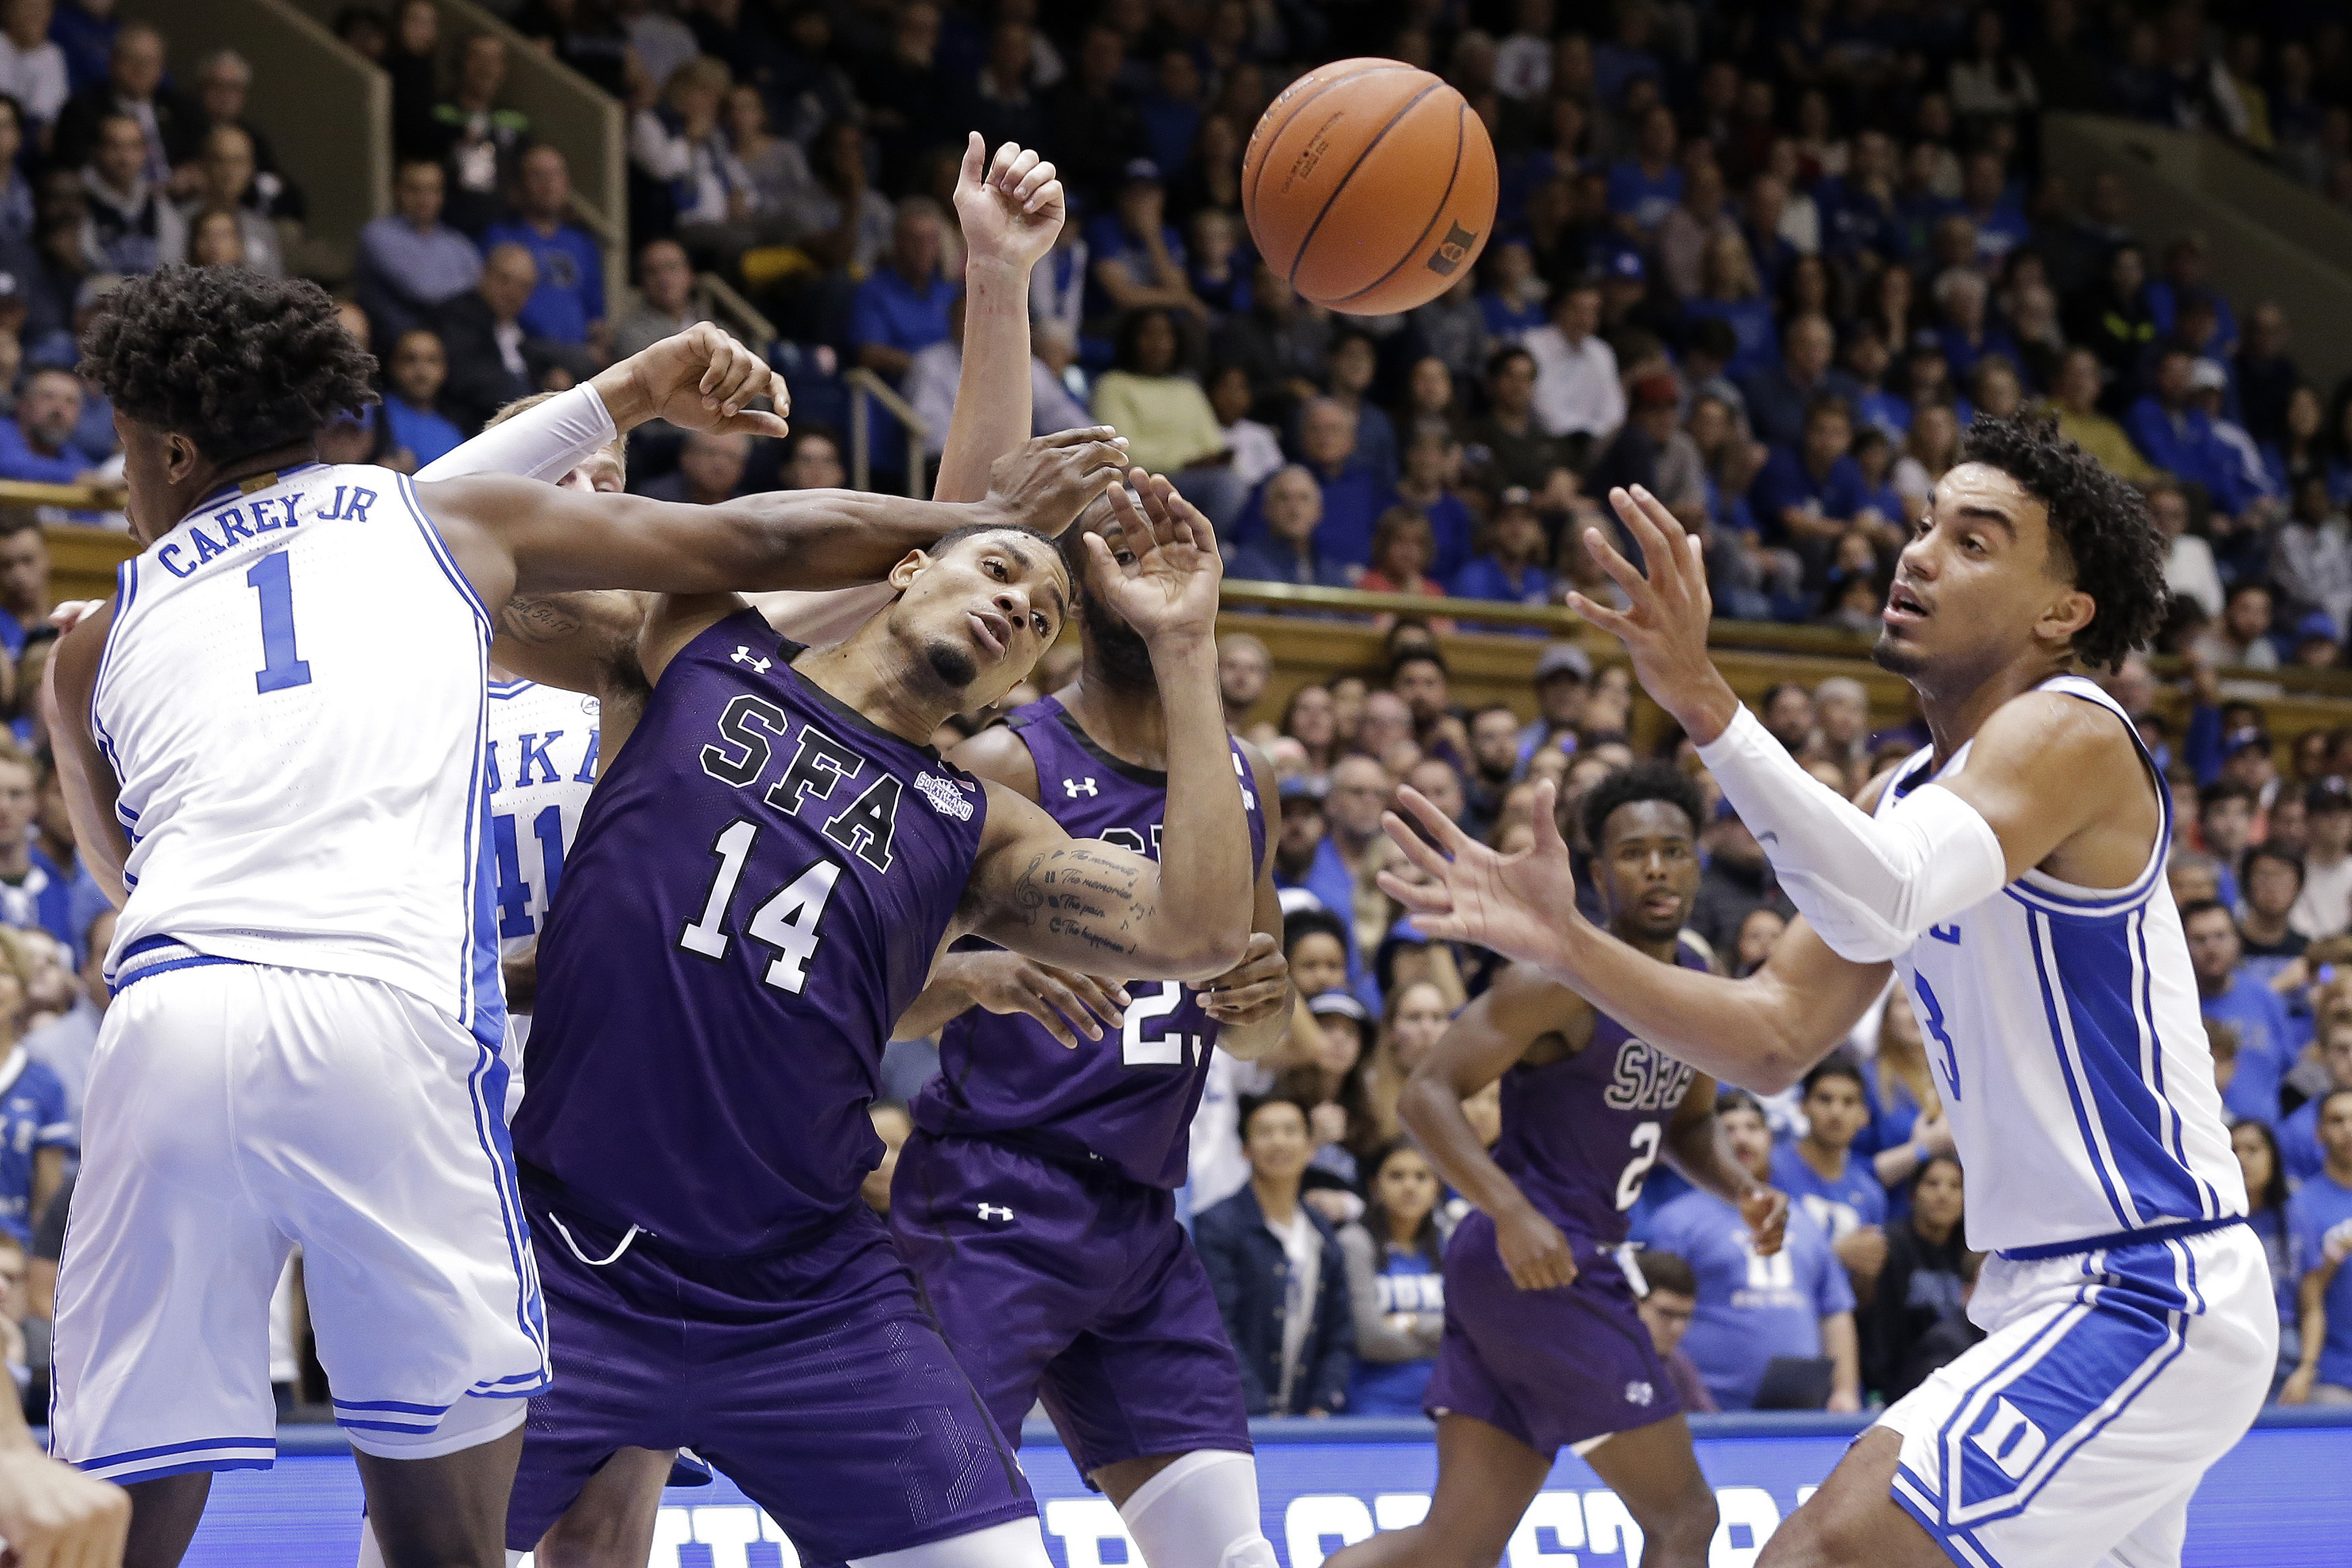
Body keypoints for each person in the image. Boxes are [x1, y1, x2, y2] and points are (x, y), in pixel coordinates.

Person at [39, 261, 1112, 1564]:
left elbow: (128, 877)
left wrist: (646, 390)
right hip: (434, 1059)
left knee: (138, 1483)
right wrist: (980, 502)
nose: (594, 497)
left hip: (227, 1015)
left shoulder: (648, 649)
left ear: (167, 443)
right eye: (582, 481)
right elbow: (795, 534)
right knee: (453, 1515)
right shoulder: (441, 534)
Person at [1380, 413, 2273, 1566]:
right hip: (2039, 1292)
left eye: (1972, 539)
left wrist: (1704, 701)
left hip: (2142, 1279)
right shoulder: (1903, 788)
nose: (1916, 553)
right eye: (1918, 524)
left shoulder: (2072, 729)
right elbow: (1769, 1036)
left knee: (1819, 1547)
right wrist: (1566, 946)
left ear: (2061, 612)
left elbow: (1891, 889)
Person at [883, 471, 1293, 1564]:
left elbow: (1260, 1033)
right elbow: (875, 999)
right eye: (1107, 539)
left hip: (1143, 1219)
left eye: (1160, 533)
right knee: (929, 1538)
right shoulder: (1004, 760)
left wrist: (1270, 998)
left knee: (1232, 1553)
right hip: (992, 1195)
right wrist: (974, 975)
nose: (1136, 554)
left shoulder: (1240, 779)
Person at [1324, 764, 1788, 1568]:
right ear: (1597, 874)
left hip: (1527, 1266)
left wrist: (1742, 1188)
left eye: (1673, 850)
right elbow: (1426, 1095)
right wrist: (1511, 1209)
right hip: (1539, 1259)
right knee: (1685, 1520)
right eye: (1633, 852)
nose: (1655, 867)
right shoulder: (1556, 981)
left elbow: (1689, 1122)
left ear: (1696, 866)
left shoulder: (1696, 982)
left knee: (1452, 1547)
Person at [1195, 1097, 1355, 1417]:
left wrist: (1322, 1405)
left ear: (1311, 1147)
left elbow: (1339, 1331)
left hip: (1306, 1421)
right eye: (1265, 1132)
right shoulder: (1217, 1225)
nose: (1279, 1141)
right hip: (1235, 1417)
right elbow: (1216, 1325)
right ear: (1245, 1150)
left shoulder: (1320, 1231)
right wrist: (1258, 1410)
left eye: (1290, 1131)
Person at [1340, 1140, 1449, 1418]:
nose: (1410, 1186)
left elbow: (1471, 1333)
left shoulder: (1451, 1245)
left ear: (1437, 1186)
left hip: (1446, 1406)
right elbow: (1370, 1339)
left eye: (1421, 1177)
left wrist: (1407, 1322)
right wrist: (1441, 1338)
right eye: (1397, 1176)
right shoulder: (1355, 1243)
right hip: (1375, 1406)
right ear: (1375, 1186)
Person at [1774, 1055, 1891, 1302]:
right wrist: (1835, 1255)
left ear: (1864, 1115)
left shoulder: (1871, 1194)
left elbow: (1863, 1299)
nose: (1836, 1112)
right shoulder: (1770, 1170)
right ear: (1802, 1106)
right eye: (1824, 1099)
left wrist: (1868, 1272)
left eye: (1848, 1102)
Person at [1862, 1155, 1974, 1402]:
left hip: (1958, 1382)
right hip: (1898, 1388)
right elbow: (1880, 1329)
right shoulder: (1889, 1247)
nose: (1943, 1195)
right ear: (1912, 1195)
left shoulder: (1973, 1255)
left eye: (1955, 1186)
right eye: (1932, 1184)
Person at [355, 159, 483, 345]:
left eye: (433, 190)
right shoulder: (377, 235)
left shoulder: (458, 243)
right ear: (397, 191)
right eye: (415, 190)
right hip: (398, 345)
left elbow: (482, 292)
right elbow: (424, 291)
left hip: (452, 341)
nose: (425, 199)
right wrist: (466, 296)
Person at [2281, 1087, 2352, 1404]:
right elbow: (2295, 1296)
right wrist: (2333, 1254)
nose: (2348, 1129)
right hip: (2331, 1376)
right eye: (2337, 1120)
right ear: (2319, 1132)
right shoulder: (2300, 1207)